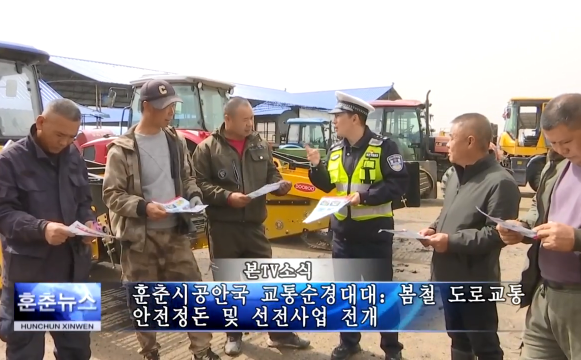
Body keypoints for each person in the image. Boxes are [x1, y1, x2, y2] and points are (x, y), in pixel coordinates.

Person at [102, 79, 218, 360]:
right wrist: (143, 207)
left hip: (175, 234)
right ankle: (149, 352)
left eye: (173, 106)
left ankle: (202, 351)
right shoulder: (121, 149)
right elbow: (111, 194)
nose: (170, 112)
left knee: (193, 293)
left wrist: (192, 197)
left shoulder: (176, 141)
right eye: (164, 106)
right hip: (140, 239)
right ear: (146, 107)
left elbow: (188, 177)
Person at [497, 94, 581, 360]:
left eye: (567, 142)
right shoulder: (557, 164)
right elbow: (542, 211)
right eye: (555, 143)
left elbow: (580, 236)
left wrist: (579, 239)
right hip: (545, 297)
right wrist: (523, 228)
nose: (561, 149)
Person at [192, 96, 310, 356]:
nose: (250, 124)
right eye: (245, 120)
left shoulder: (260, 144)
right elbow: (200, 185)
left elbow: (272, 173)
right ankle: (233, 334)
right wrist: (227, 197)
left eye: (252, 119)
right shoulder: (207, 149)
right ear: (228, 119)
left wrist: (279, 185)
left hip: (255, 225)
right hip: (224, 228)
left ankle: (280, 334)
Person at [0, 99, 95, 360]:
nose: (65, 142)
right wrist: (41, 228)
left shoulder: (73, 157)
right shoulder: (9, 161)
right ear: (41, 122)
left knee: (77, 351)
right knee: (26, 352)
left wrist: (87, 223)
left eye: (71, 136)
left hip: (72, 272)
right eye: (59, 135)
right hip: (31, 275)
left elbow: (84, 200)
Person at [306, 91, 408, 360]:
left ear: (354, 118)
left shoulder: (385, 147)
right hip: (342, 237)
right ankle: (349, 342)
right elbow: (329, 184)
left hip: (374, 237)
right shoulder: (336, 149)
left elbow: (397, 184)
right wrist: (316, 166)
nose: (334, 121)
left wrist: (364, 197)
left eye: (338, 116)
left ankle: (392, 349)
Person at [418, 113, 520, 360]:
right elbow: (449, 213)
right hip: (447, 275)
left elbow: (495, 236)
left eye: (452, 138)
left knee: (483, 344)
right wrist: (433, 228)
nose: (447, 143)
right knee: (458, 337)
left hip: (475, 282)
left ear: (471, 141)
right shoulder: (455, 175)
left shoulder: (500, 183)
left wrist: (449, 242)